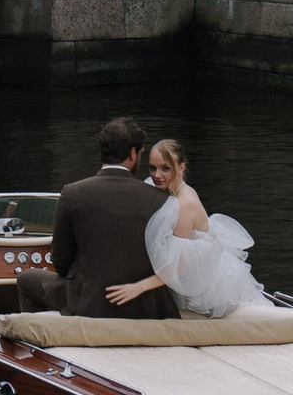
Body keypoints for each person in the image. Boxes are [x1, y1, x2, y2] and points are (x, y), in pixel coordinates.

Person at [14, 118, 179, 320]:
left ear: (101, 151)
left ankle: (41, 342)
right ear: (133, 153)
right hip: (146, 307)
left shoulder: (73, 193)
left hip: (89, 304)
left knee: (25, 279)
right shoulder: (161, 200)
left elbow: (60, 261)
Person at [103, 138, 266, 318]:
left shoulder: (185, 204)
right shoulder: (157, 187)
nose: (157, 175)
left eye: (165, 168)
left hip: (198, 280)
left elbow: (178, 266)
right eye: (152, 168)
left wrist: (138, 287)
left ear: (181, 167)